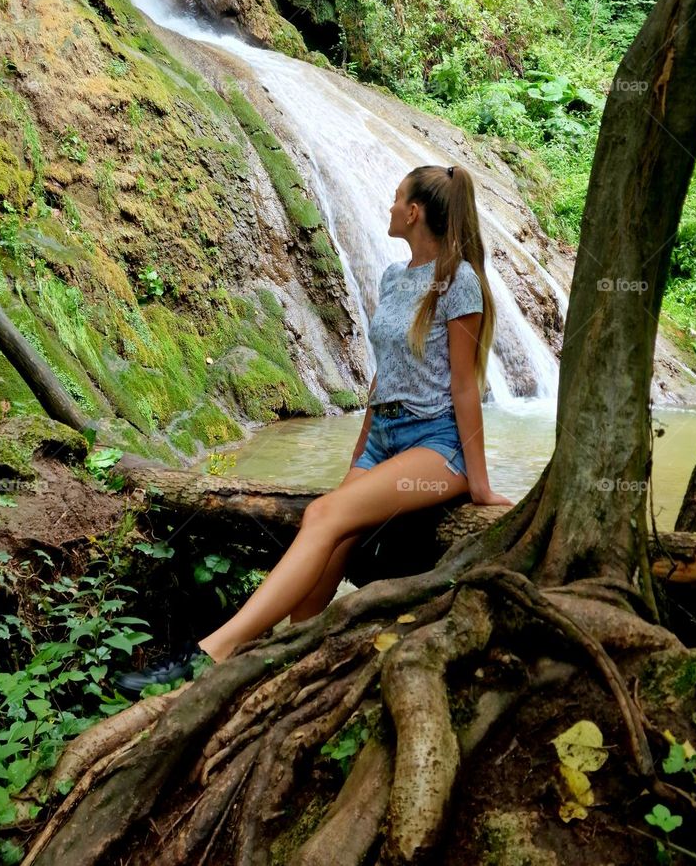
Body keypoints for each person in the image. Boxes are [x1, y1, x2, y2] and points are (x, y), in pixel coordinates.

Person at [117, 163, 512, 696]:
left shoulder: (457, 280)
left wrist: (480, 483)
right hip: (382, 438)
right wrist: (359, 456)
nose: (390, 207)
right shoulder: (395, 278)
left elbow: (465, 387)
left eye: (397, 200)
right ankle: (286, 663)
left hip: (436, 443)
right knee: (322, 568)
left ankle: (211, 654)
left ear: (414, 212)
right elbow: (385, 374)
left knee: (324, 513)